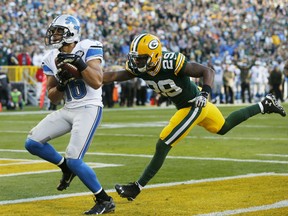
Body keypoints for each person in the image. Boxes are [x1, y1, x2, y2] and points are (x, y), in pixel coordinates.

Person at [103, 33, 286, 201]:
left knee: (163, 143)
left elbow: (208, 71)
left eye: (142, 58)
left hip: (195, 103)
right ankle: (265, 104)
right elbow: (112, 75)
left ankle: (137, 187)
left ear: (156, 56)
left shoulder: (171, 62)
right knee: (222, 127)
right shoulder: (141, 68)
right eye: (136, 58)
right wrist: (86, 76)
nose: (138, 62)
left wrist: (204, 94)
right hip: (189, 105)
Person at [24, 15, 115, 214]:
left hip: (89, 107)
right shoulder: (50, 58)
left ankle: (104, 200)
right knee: (32, 143)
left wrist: (79, 63)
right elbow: (53, 98)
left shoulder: (88, 46)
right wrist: (62, 84)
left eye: (58, 31)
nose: (54, 35)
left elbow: (97, 81)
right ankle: (65, 167)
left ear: (71, 32)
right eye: (54, 31)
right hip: (68, 108)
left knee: (75, 159)